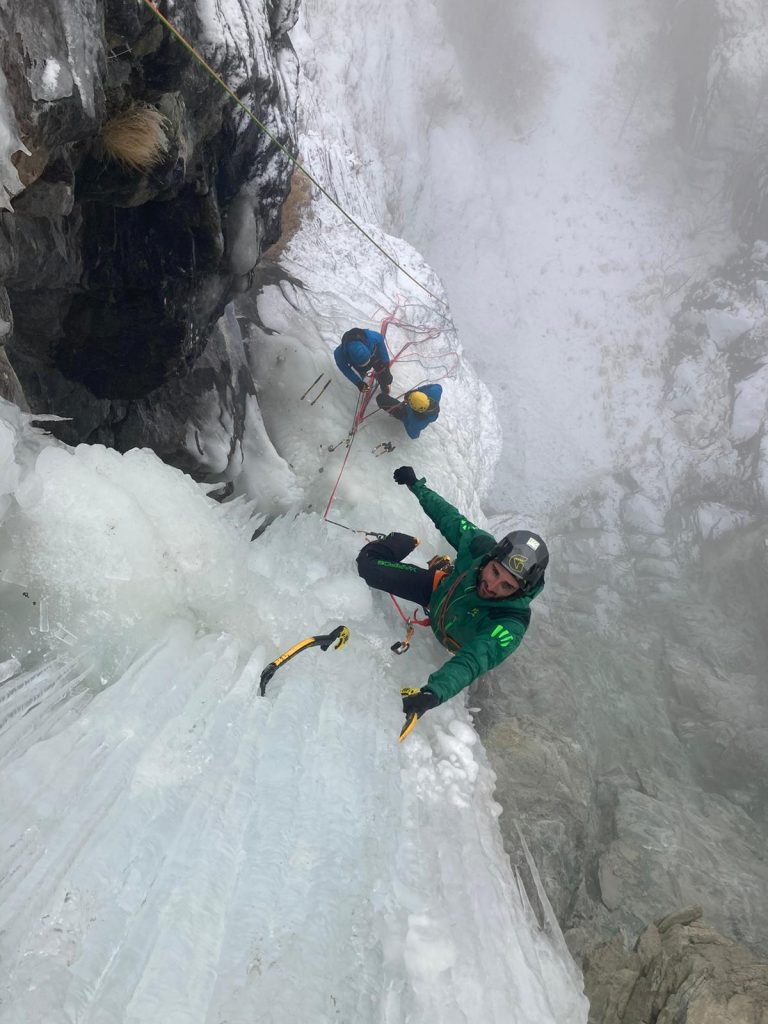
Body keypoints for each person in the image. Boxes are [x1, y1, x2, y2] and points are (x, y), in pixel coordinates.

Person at [356, 466, 548, 725]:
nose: (492, 586)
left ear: (520, 591)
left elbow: (474, 659)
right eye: (494, 573)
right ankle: (404, 542)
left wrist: (433, 693)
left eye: (507, 586)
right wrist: (416, 486)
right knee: (368, 567)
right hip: (438, 592)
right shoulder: (481, 547)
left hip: (448, 617)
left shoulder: (510, 623)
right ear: (491, 558)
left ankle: (442, 566)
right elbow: (448, 517)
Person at [334, 328, 393, 395]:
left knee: (384, 374)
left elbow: (380, 339)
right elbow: (345, 369)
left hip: (371, 354)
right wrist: (358, 382)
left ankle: (383, 382)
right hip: (359, 364)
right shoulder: (339, 355)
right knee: (362, 373)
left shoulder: (369, 336)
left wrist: (386, 363)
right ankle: (364, 376)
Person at [376, 385, 442, 439]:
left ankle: (402, 413)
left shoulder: (416, 423)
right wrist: (416, 391)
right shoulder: (434, 392)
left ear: (414, 408)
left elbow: (414, 435)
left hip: (405, 413)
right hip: (413, 412)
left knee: (381, 399)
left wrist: (405, 419)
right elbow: (438, 386)